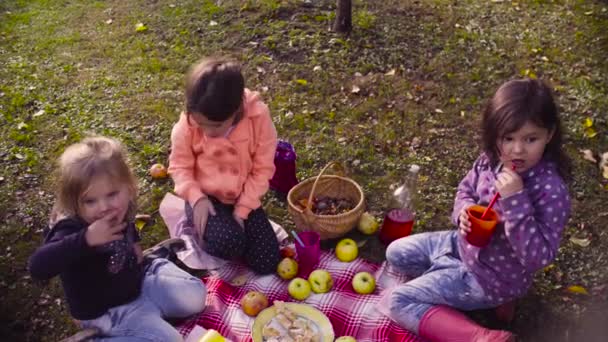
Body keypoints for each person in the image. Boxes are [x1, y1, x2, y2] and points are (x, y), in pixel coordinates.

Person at [383, 78, 571, 342]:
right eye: (508, 138)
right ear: (495, 135)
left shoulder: (550, 192)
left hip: (493, 277)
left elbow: (537, 258)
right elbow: (465, 190)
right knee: (395, 253)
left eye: (531, 139)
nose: (517, 149)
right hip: (458, 246)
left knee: (400, 301)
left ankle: (479, 336)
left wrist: (515, 201)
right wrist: (464, 211)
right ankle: (468, 290)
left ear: (549, 135)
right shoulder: (490, 159)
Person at [29, 136, 206, 341]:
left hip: (138, 281)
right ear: (74, 203)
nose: (104, 207)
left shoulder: (123, 206)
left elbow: (129, 225)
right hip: (109, 311)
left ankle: (153, 261)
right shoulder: (71, 228)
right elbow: (37, 266)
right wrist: (85, 239)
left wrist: (136, 245)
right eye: (90, 201)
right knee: (168, 339)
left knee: (196, 296)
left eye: (112, 194)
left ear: (128, 187)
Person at [168, 56, 280, 274]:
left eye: (217, 125)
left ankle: (231, 228)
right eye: (201, 124)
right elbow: (180, 166)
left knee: (267, 262)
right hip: (206, 198)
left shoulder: (258, 117)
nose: (208, 132)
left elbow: (262, 169)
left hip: (243, 195)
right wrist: (196, 198)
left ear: (237, 108)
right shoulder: (187, 124)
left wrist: (243, 210)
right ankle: (202, 229)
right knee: (229, 243)